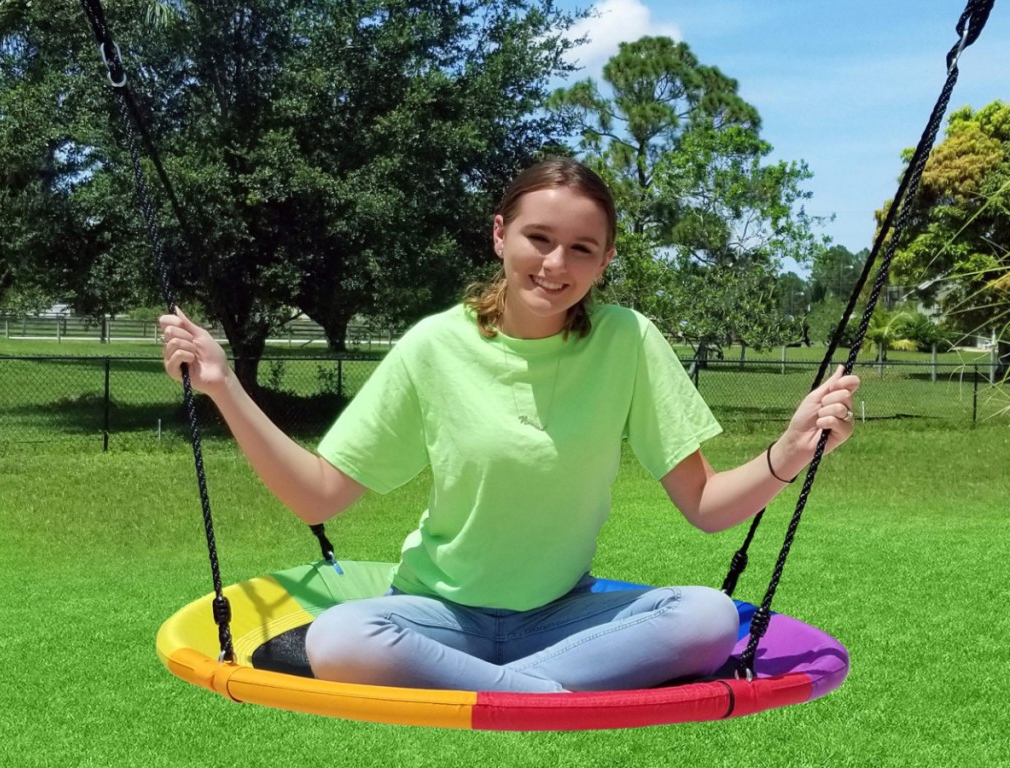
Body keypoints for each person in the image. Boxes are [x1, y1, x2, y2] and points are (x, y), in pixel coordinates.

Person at [160, 157, 860, 694]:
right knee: (344, 633)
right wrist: (223, 387)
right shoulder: (435, 346)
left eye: (583, 249)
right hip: (436, 614)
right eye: (539, 238)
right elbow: (318, 496)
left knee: (708, 618)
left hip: (563, 615)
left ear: (606, 260)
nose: (557, 265)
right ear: (500, 235)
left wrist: (790, 450)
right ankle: (543, 693)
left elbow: (706, 508)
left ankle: (509, 685)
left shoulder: (626, 340)